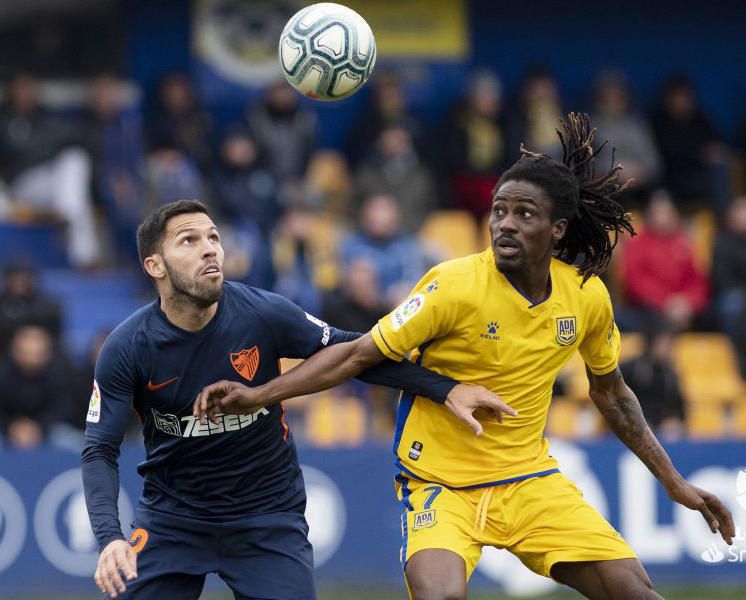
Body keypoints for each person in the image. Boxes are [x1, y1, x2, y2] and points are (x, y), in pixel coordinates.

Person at [195, 114, 735, 600]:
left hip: (529, 480)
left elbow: (612, 393)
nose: (505, 223)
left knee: (634, 592)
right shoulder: (452, 285)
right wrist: (260, 393)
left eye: (525, 214)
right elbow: (357, 354)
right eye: (499, 211)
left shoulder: (586, 296)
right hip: (438, 484)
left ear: (558, 228)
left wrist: (673, 482)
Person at [81, 199, 508, 599]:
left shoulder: (261, 313)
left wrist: (444, 388)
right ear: (154, 265)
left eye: (213, 237)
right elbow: (99, 449)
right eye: (189, 241)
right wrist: (110, 538)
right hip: (173, 519)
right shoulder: (127, 348)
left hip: (266, 516)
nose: (210, 250)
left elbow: (354, 352)